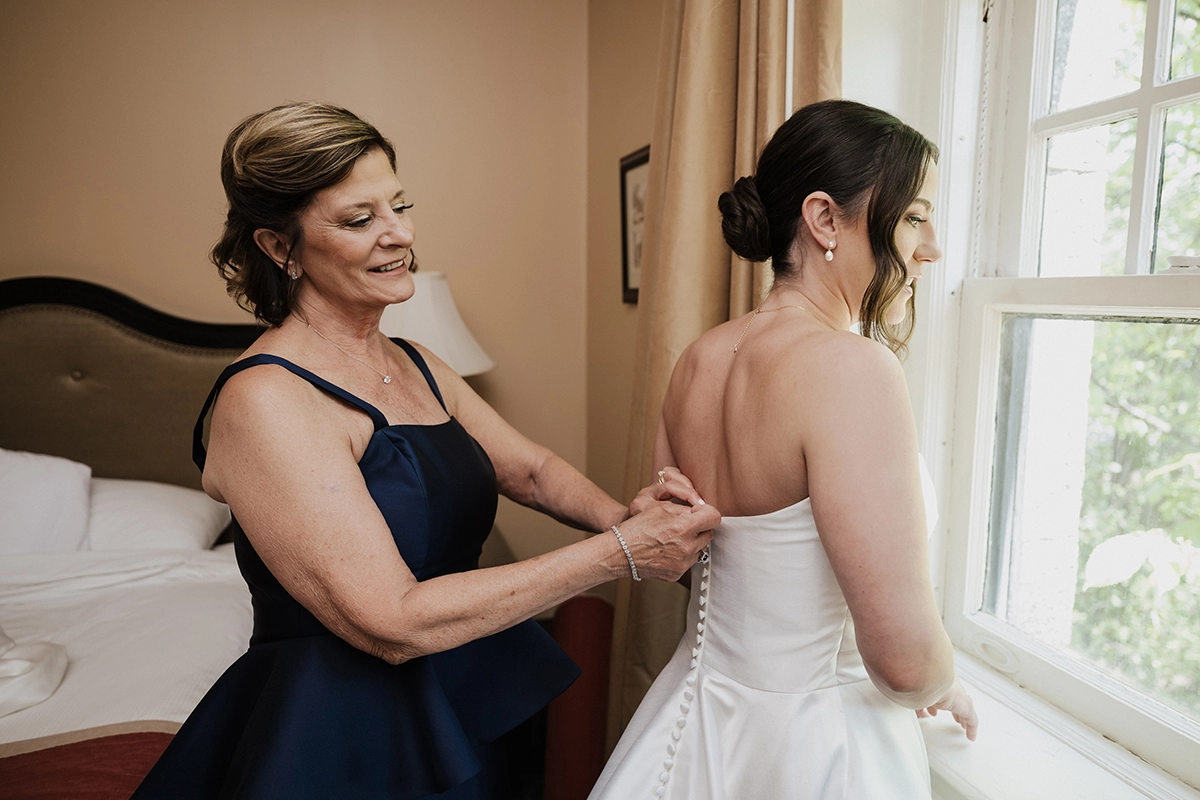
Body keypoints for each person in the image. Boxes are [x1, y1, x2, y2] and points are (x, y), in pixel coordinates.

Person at [131, 102, 719, 800]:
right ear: (279, 247)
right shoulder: (265, 401)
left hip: (458, 691)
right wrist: (621, 551)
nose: (401, 235)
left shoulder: (415, 361)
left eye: (400, 206)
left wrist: (626, 516)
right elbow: (391, 620)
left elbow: (530, 471)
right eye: (360, 220)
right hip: (346, 733)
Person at [588, 99, 978, 800]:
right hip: (816, 750)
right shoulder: (853, 371)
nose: (931, 247)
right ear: (825, 218)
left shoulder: (697, 361)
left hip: (691, 719)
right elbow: (903, 665)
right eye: (915, 216)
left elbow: (684, 557)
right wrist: (943, 681)